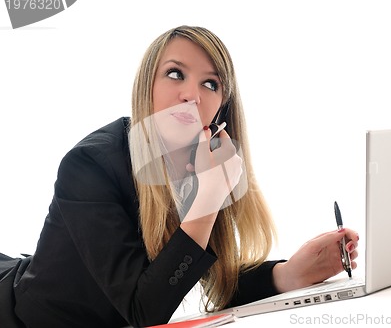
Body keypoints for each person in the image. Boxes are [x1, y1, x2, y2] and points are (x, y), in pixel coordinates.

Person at [0, 25, 359, 328]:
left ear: (223, 107)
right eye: (175, 74)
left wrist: (290, 273)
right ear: (147, 86)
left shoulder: (201, 162)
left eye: (211, 84)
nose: (192, 95)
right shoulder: (89, 165)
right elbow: (146, 311)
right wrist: (208, 198)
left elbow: (198, 277)